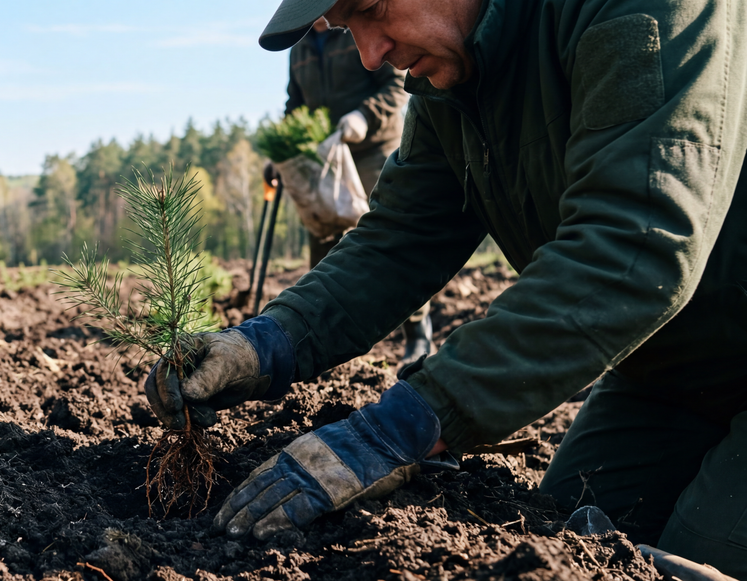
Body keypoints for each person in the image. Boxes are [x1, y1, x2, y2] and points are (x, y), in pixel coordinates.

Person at [145, 0, 747, 576]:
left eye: (374, 10)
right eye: (347, 27)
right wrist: (269, 342)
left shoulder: (637, 7)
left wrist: (403, 427)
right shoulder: (453, 77)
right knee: (569, 541)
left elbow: (635, 244)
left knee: (701, 557)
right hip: (667, 375)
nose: (370, 57)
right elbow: (402, 238)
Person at [270, 16, 433, 365]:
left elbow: (395, 87)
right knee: (323, 240)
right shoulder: (298, 45)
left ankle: (417, 332)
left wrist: (362, 117)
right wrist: (282, 151)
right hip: (325, 154)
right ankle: (319, 336)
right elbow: (294, 104)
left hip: (374, 147)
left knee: (392, 236)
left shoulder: (353, 25)